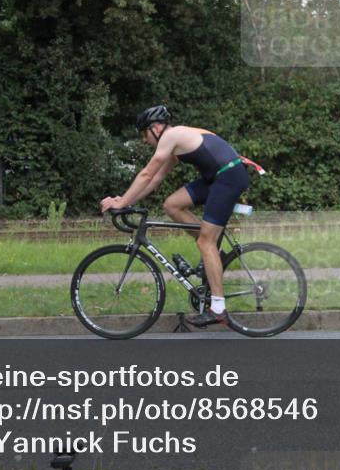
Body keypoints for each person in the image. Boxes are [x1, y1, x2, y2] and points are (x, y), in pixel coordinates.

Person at [100, 105, 251, 327]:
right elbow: (154, 180)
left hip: (227, 178)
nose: (143, 140)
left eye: (144, 133)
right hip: (219, 176)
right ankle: (212, 252)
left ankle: (218, 309)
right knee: (172, 205)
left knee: (205, 241)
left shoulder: (172, 135)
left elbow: (146, 173)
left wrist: (121, 202)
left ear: (157, 127)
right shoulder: (175, 143)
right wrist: (125, 201)